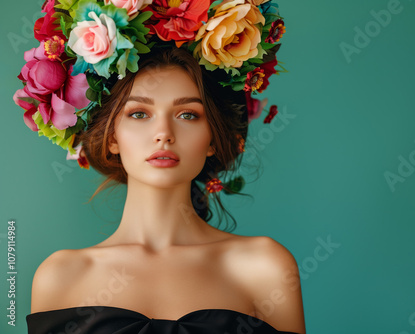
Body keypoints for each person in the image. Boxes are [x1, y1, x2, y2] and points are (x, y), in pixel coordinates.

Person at [15, 1, 305, 333]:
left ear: (212, 138)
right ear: (111, 136)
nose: (164, 134)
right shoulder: (59, 277)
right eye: (139, 113)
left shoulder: (264, 267)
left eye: (188, 115)